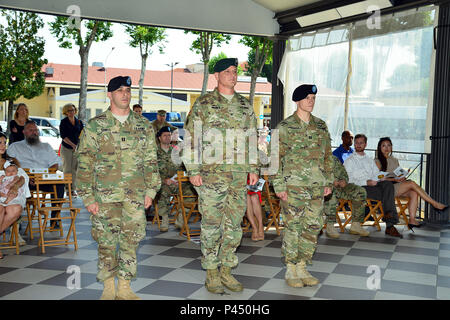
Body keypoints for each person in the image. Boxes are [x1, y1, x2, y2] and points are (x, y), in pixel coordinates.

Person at [76, 75, 161, 300]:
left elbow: (152, 161)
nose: (125, 94)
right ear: (110, 94)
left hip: (135, 195)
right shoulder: (96, 126)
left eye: (127, 90)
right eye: (120, 90)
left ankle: (124, 286)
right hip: (104, 196)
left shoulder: (143, 125)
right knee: (105, 242)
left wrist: (151, 192)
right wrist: (88, 198)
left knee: (131, 241)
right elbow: (84, 162)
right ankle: (108, 286)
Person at [184, 57, 259, 294]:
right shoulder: (204, 104)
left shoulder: (245, 106)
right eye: (227, 71)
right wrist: (193, 171)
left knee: (234, 225)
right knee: (211, 225)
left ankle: (227, 269)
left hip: (238, 177)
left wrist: (253, 168)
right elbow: (190, 138)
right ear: (217, 76)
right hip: (211, 177)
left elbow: (252, 140)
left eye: (235, 71)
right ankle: (211, 272)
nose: (233, 75)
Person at [273, 84, 333, 288]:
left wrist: (329, 181)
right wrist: (279, 185)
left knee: (313, 226)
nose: (311, 101)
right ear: (297, 100)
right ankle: (290, 268)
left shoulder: (321, 126)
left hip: (316, 187)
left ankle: (302, 265)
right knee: (293, 227)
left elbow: (327, 157)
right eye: (307, 97)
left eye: (313, 98)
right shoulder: (285, 127)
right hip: (293, 187)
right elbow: (275, 158)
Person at [375, 137, 448, 230]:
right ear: (379, 147)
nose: (386, 147)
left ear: (391, 147)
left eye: (389, 145)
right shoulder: (377, 161)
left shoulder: (394, 160)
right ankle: (435, 204)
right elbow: (378, 179)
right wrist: (395, 180)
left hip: (396, 185)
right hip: (386, 189)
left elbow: (398, 173)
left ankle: (412, 220)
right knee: (412, 183)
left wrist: (402, 177)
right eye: (383, 145)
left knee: (414, 192)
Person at [344, 134, 403, 238]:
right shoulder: (349, 161)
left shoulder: (369, 160)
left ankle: (389, 218)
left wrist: (387, 178)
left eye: (361, 143)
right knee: (387, 193)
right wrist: (366, 182)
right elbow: (349, 181)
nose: (358, 145)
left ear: (365, 144)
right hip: (360, 188)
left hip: (374, 185)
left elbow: (377, 175)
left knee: (388, 185)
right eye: (356, 143)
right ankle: (390, 225)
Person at [8, 121, 64, 228]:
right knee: (14, 185)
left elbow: (55, 163)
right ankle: (15, 220)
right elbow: (10, 165)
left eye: (36, 130)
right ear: (24, 132)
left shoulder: (46, 147)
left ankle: (54, 217)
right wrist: (27, 177)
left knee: (59, 185)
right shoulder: (15, 147)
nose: (34, 132)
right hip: (24, 180)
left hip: (43, 180)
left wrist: (45, 175)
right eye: (31, 130)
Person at [155, 126, 194, 232]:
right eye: (165, 135)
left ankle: (181, 219)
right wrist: (164, 180)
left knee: (192, 192)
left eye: (169, 135)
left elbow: (185, 166)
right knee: (162, 191)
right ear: (159, 138)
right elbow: (151, 171)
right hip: (162, 182)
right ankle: (165, 219)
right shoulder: (154, 152)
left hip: (178, 182)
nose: (167, 137)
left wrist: (181, 178)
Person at [0, 133, 30, 259]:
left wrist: (16, 185)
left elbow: (23, 177)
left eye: (3, 142)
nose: (2, 145)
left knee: (15, 209)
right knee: (0, 208)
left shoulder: (11, 161)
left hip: (12, 195)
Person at [323, 155, 369, 238]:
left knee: (360, 192)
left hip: (340, 187)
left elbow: (343, 173)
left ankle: (356, 225)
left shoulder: (334, 159)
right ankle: (330, 226)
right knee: (330, 194)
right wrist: (331, 182)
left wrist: (343, 180)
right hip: (323, 188)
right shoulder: (314, 159)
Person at [59, 103, 84, 196]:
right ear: (66, 112)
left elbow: (82, 135)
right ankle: (67, 189)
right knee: (67, 169)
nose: (71, 112)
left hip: (77, 149)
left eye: (73, 110)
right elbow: (63, 136)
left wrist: (79, 146)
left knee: (74, 169)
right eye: (69, 110)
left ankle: (73, 189)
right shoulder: (63, 122)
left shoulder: (79, 122)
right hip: (66, 148)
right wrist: (73, 145)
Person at [246, 173, 264, 241]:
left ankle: (260, 226)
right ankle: (254, 228)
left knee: (254, 197)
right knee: (246, 198)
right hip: (242, 184)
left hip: (254, 181)